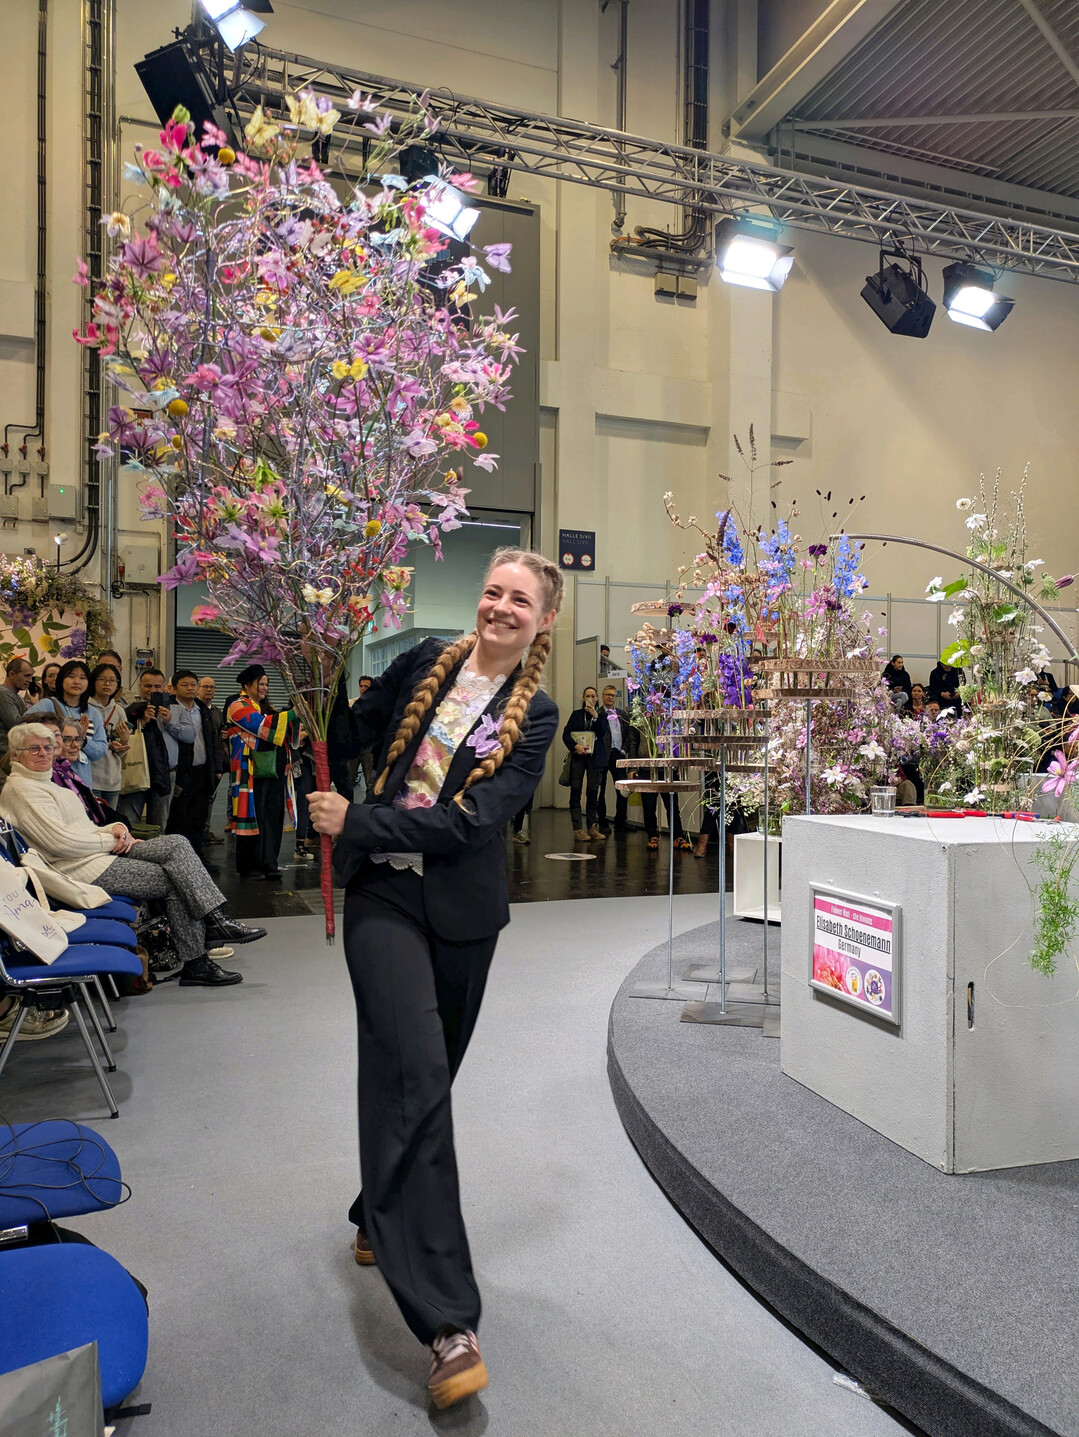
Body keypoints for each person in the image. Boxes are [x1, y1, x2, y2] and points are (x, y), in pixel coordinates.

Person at [307, 547, 561, 1411]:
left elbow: (472, 822)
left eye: (518, 599)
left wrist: (360, 817)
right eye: (492, 591)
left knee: (427, 1076)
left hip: (460, 916)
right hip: (382, 896)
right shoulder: (423, 662)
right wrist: (321, 672)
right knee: (416, 1073)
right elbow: (351, 732)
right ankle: (448, 1322)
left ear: (544, 620)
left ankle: (374, 1206)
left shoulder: (537, 715)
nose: (499, 607)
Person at [0, 722, 265, 986]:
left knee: (176, 843)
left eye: (47, 747)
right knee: (175, 879)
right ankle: (199, 957)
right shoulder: (23, 790)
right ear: (15, 755)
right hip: (78, 869)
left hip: (97, 856)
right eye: (33, 748)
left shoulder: (48, 783)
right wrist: (109, 842)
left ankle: (216, 920)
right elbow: (60, 844)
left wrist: (115, 829)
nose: (43, 753)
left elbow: (84, 829)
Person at [226, 665, 301, 880]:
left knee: (272, 816)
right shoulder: (237, 706)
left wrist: (295, 722)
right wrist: (294, 713)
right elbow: (261, 726)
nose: (265, 688)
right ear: (247, 685)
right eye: (261, 683)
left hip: (274, 769)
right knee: (253, 815)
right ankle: (250, 867)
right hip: (249, 772)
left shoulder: (265, 706)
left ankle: (270, 863)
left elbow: (280, 729)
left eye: (267, 684)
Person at [121, 667, 191, 830]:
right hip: (135, 771)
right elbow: (121, 734)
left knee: (159, 824)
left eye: (157, 686)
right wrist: (142, 721)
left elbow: (189, 736)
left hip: (166, 773)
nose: (152, 690)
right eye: (148, 686)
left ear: (165, 687)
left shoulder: (177, 709)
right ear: (140, 686)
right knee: (131, 822)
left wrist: (170, 722)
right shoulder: (131, 709)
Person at [166, 670, 224, 858]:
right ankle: (181, 861)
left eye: (193, 684)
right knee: (179, 819)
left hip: (203, 771)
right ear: (174, 689)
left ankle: (200, 861)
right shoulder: (170, 709)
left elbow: (213, 740)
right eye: (184, 684)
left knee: (199, 819)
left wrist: (217, 768)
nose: (190, 688)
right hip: (181, 772)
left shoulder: (203, 710)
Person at [24, 659, 107, 789]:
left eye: (82, 678)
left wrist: (82, 740)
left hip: (83, 781)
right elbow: (23, 730)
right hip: (51, 779)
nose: (77, 682)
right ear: (61, 680)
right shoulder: (47, 705)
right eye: (71, 676)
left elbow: (101, 750)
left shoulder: (93, 713)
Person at [562, 686, 609, 841]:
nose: (590, 698)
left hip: (594, 757)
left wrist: (595, 716)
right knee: (576, 789)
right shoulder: (576, 715)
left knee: (593, 791)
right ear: (583, 698)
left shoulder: (601, 715)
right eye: (587, 695)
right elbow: (566, 734)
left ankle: (591, 827)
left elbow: (602, 733)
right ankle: (577, 828)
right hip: (579, 756)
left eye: (593, 696)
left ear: (597, 699)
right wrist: (576, 747)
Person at [88, 662, 129, 807]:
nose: (107, 684)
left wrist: (124, 742)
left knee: (111, 824)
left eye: (112, 680)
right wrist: (107, 745)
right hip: (91, 777)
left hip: (113, 780)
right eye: (102, 679)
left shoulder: (119, 711)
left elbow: (122, 754)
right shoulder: (85, 708)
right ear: (93, 681)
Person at [596, 684, 635, 833]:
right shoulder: (598, 714)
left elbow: (628, 735)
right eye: (608, 694)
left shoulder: (623, 714)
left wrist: (624, 750)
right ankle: (602, 823)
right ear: (602, 696)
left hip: (618, 754)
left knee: (623, 790)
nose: (610, 697)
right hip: (603, 755)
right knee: (601, 790)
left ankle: (620, 822)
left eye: (613, 695)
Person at [0, 659, 32, 756]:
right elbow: (16, 724)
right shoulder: (3, 693)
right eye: (26, 676)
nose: (30, 680)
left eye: (31, 676)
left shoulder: (17, 696)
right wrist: (39, 705)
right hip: (5, 754)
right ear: (12, 674)